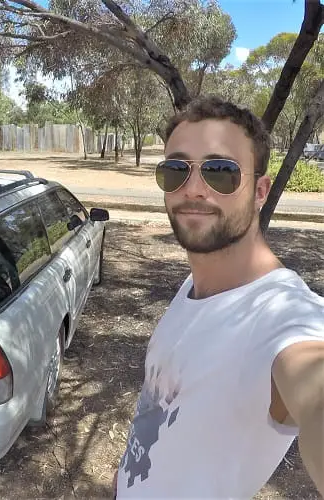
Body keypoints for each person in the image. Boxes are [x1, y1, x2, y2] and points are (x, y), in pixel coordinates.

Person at [114, 97, 324, 498]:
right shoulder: (192, 287)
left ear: (260, 191)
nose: (192, 189)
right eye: (176, 170)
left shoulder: (285, 317)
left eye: (221, 171)